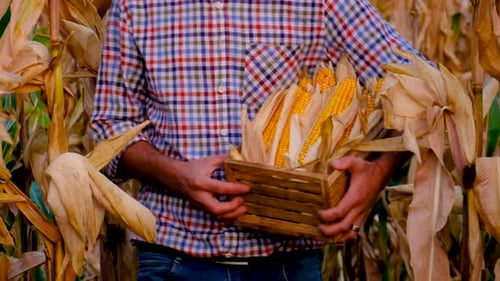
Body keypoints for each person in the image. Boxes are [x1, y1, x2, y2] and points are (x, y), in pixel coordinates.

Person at [90, 0, 423, 280]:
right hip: (172, 257)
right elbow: (112, 127)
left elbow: (426, 89)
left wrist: (378, 173)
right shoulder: (136, 6)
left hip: (285, 263)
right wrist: (176, 176)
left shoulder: (322, 4)